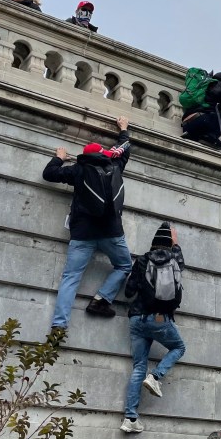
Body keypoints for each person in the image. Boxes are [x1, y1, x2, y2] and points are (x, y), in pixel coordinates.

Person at [42, 116, 133, 332]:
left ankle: (59, 326)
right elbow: (125, 149)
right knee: (124, 265)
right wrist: (123, 129)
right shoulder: (114, 165)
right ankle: (101, 300)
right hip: (111, 232)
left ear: (85, 156)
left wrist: (59, 158)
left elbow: (49, 174)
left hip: (82, 234)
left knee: (71, 278)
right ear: (101, 153)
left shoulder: (78, 170)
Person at [119, 222, 186, 434]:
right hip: (159, 319)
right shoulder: (174, 260)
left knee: (139, 366)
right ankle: (156, 377)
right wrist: (175, 242)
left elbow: (129, 293)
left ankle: (130, 418)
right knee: (178, 347)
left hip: (137, 319)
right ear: (169, 244)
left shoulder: (142, 260)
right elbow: (180, 261)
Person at [181, 70, 221, 151]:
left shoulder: (208, 82)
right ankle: (210, 137)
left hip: (186, 124)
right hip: (201, 121)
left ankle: (192, 133)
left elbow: (207, 104)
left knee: (213, 114)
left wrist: (219, 106)